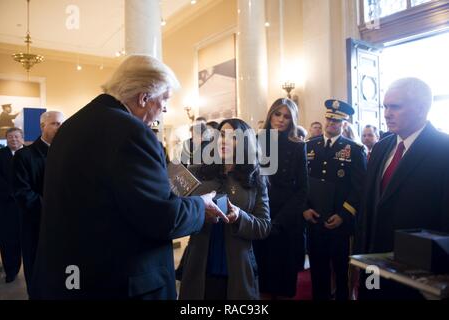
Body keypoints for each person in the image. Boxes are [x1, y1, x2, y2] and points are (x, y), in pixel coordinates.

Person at [31, 55, 227, 300]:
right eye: (164, 100)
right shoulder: (133, 133)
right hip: (118, 281)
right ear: (143, 98)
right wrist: (200, 206)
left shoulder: (71, 125)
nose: (164, 109)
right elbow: (162, 218)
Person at [358, 78, 449, 299]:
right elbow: (368, 207)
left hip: (416, 273)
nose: (387, 113)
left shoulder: (444, 150)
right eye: (385, 107)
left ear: (421, 108)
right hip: (372, 265)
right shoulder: (381, 148)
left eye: (395, 107)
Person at [179, 118, 271, 300]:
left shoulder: (255, 179)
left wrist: (240, 217)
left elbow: (264, 226)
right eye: (222, 135)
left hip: (237, 267)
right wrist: (197, 211)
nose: (224, 140)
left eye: (233, 137)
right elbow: (179, 210)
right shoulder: (197, 171)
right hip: (200, 262)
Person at [304, 99, 366, 300]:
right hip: (314, 220)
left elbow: (359, 188)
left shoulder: (354, 150)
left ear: (344, 124)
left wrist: (343, 215)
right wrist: (304, 208)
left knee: (342, 273)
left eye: (337, 121)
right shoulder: (309, 146)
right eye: (330, 119)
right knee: (318, 272)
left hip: (340, 223)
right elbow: (301, 182)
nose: (332, 124)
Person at [254, 98, 308, 298]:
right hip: (258, 216)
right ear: (270, 115)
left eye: (286, 116)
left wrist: (279, 221)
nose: (281, 120)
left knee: (283, 284)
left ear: (292, 120)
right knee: (260, 282)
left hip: (285, 221)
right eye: (278, 114)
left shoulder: (297, 146)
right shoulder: (257, 141)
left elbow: (303, 190)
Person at [12, 111, 64, 297]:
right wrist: (54, 210)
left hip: (64, 228)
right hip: (37, 226)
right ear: (42, 126)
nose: (60, 127)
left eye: (62, 123)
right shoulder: (24, 156)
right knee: (38, 276)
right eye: (55, 123)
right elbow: (22, 193)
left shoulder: (69, 153)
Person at [0, 127, 24, 283]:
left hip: (27, 205)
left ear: (22, 138)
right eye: (10, 137)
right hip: (6, 205)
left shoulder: (30, 153)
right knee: (8, 240)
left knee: (28, 240)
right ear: (6, 139)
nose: (13, 139)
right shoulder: (0, 155)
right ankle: (11, 270)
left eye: (16, 137)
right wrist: (11, 193)